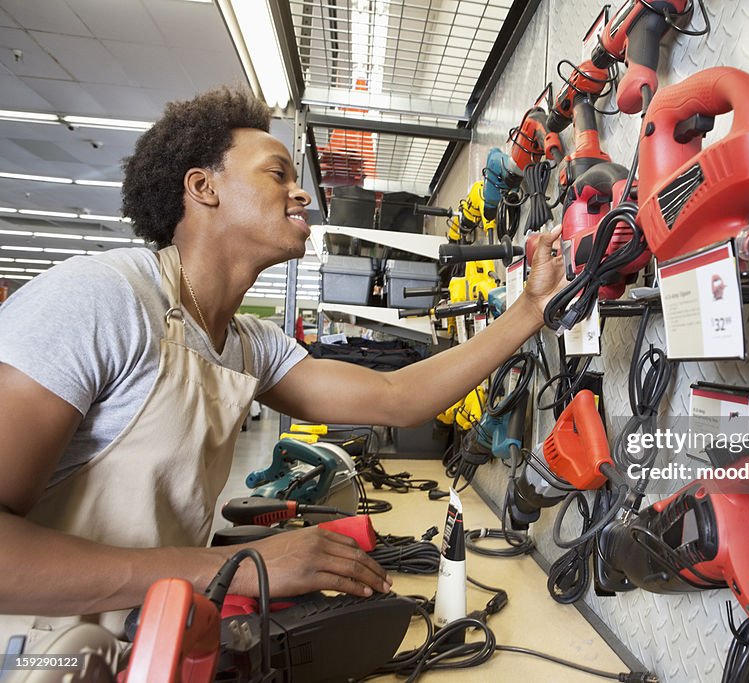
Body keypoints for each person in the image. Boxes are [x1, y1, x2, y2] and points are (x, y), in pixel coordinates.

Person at [0, 87, 564, 645]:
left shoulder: (248, 345)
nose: (303, 197)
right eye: (278, 175)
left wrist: (530, 310)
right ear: (203, 187)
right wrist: (235, 567)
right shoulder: (103, 299)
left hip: (150, 641)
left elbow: (397, 398)